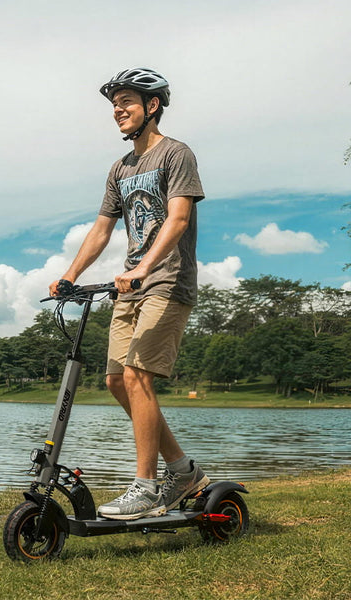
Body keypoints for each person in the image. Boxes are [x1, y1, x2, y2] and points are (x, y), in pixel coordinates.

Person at [49, 67, 209, 520]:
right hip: (131, 286)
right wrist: (70, 274)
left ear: (151, 106)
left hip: (167, 281)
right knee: (117, 381)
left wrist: (143, 268)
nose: (118, 110)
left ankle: (146, 487)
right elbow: (103, 228)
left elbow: (177, 219)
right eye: (114, 104)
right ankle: (183, 470)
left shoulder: (176, 154)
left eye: (127, 102)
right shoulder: (120, 168)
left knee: (138, 376)